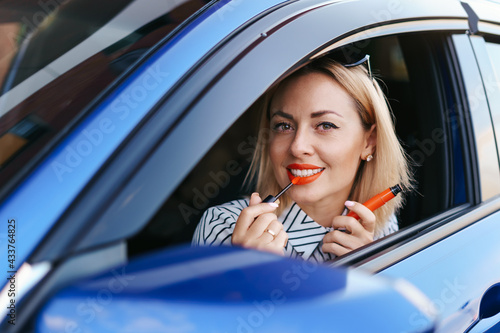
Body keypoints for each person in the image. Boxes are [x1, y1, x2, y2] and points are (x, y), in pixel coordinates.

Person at [192, 55, 412, 262]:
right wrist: (246, 279)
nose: (298, 147)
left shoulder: (377, 227)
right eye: (284, 126)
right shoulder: (223, 227)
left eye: (325, 125)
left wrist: (368, 271)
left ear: (369, 142)